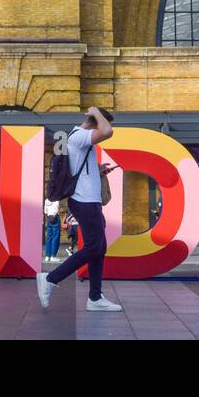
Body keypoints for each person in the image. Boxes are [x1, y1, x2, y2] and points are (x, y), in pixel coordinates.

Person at [37, 106, 122, 312]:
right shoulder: (80, 136)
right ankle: (49, 279)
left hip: (89, 201)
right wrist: (96, 111)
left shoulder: (80, 139)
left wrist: (98, 170)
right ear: (95, 121)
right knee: (93, 247)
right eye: (100, 121)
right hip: (84, 201)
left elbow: (80, 169)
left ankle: (95, 297)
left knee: (99, 248)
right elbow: (107, 131)